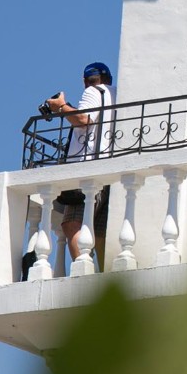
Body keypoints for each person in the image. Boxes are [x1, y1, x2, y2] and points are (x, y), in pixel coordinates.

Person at [44, 61, 116, 263]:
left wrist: (61, 107)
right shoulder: (116, 94)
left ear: (85, 81)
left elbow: (83, 120)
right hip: (110, 167)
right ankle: (103, 271)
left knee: (72, 224)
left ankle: (83, 266)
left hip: (88, 168)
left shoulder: (93, 92)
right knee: (99, 229)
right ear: (109, 79)